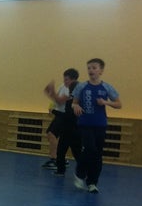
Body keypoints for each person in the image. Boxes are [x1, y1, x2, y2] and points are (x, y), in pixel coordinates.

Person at [71, 58, 121, 193]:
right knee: (90, 149)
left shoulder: (107, 87)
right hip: (84, 123)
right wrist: (75, 106)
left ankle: (92, 182)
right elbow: (74, 102)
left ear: (101, 71)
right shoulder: (81, 86)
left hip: (100, 124)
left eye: (94, 68)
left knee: (97, 154)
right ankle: (80, 173)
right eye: (89, 68)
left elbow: (119, 104)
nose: (91, 70)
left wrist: (106, 102)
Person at [44, 68, 81, 176]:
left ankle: (56, 160)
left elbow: (60, 100)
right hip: (61, 116)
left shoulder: (74, 89)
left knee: (73, 147)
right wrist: (50, 93)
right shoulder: (63, 86)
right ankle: (59, 162)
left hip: (66, 118)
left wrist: (51, 92)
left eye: (67, 80)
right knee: (53, 137)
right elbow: (57, 100)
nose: (65, 82)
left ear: (73, 80)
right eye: (64, 79)